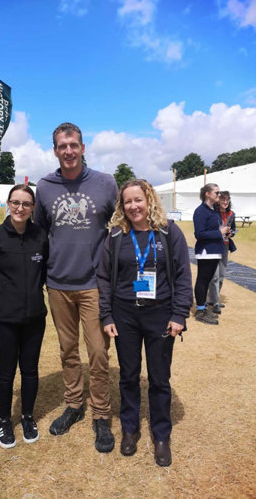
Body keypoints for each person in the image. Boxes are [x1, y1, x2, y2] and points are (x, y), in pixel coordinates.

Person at [34, 122, 118, 453]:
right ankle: (73, 404)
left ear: (83, 148)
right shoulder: (45, 187)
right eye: (62, 146)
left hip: (95, 285)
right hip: (58, 285)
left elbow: (120, 225)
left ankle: (100, 414)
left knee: (98, 352)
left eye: (74, 145)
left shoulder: (105, 183)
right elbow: (40, 234)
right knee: (68, 350)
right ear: (55, 151)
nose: (68, 151)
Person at [97, 179, 192, 466]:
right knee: (128, 375)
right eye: (128, 201)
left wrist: (179, 316)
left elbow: (183, 276)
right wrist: (106, 315)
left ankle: (161, 435)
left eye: (138, 199)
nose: (133, 206)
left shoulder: (168, 233)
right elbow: (102, 277)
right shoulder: (115, 236)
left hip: (160, 314)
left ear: (149, 200)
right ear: (121, 206)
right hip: (125, 314)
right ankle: (130, 429)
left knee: (160, 378)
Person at [0, 184, 48, 449]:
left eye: (26, 204)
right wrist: (0, 298)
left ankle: (28, 417)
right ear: (8, 204)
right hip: (3, 319)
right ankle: (5, 420)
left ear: (33, 208)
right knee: (6, 372)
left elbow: (44, 271)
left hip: (34, 318)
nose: (20, 208)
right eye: (15, 202)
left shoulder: (40, 236)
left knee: (30, 371)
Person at [193, 183, 230, 325]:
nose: (219, 195)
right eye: (217, 193)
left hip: (215, 250)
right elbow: (199, 234)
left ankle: (203, 307)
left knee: (207, 280)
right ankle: (200, 310)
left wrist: (225, 232)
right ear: (207, 194)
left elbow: (214, 230)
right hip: (206, 251)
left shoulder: (213, 211)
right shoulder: (201, 211)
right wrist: (218, 232)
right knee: (202, 280)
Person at [207, 191, 236, 314]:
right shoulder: (213, 213)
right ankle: (216, 302)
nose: (225, 202)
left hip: (225, 246)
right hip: (213, 245)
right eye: (223, 199)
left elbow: (233, 229)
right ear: (218, 200)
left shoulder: (231, 214)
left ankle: (213, 299)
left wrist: (231, 233)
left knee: (222, 274)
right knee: (214, 275)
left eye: (227, 200)